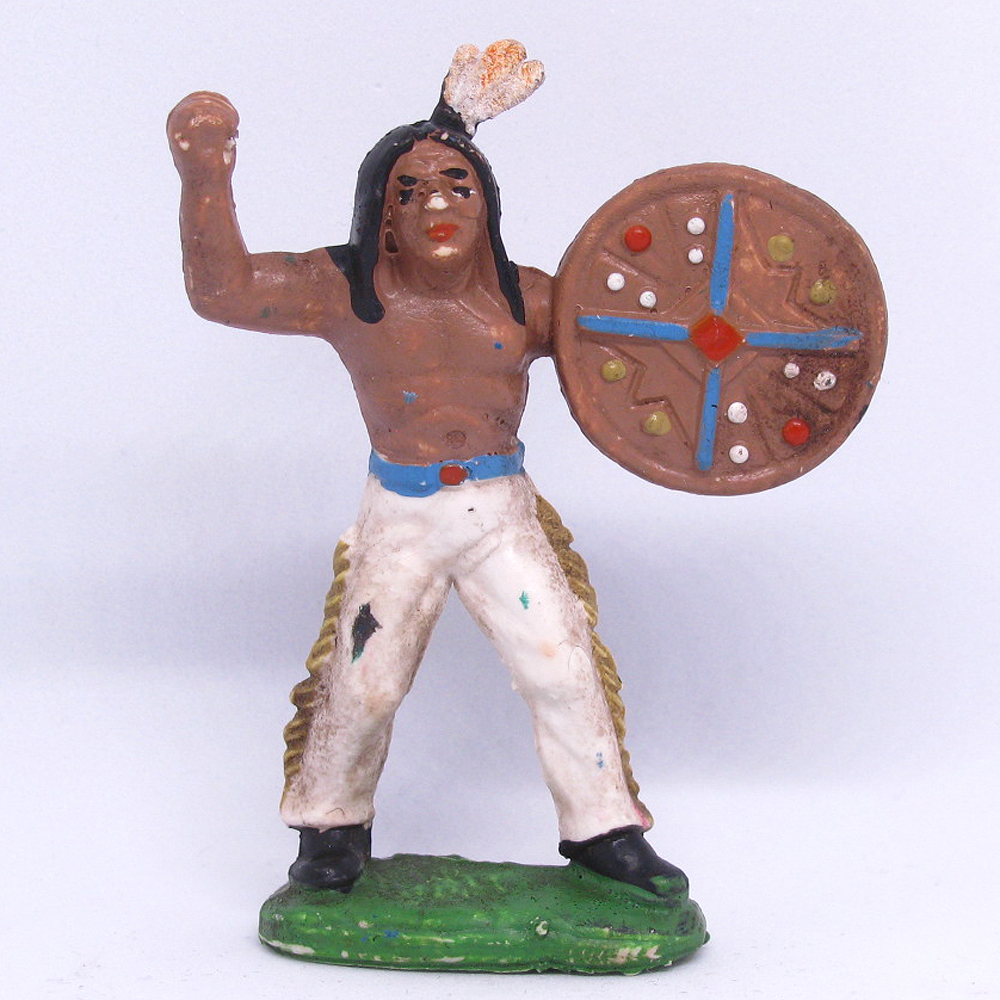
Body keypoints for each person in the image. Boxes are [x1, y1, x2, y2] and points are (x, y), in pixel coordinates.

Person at [167, 42, 687, 897]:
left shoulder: (532, 297)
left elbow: (643, 345)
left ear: (488, 205)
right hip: (400, 515)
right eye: (408, 192)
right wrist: (204, 176)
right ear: (380, 217)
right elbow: (223, 291)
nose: (436, 205)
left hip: (498, 511)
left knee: (560, 661)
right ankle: (331, 826)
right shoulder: (342, 290)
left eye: (456, 186)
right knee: (365, 680)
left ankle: (603, 828)